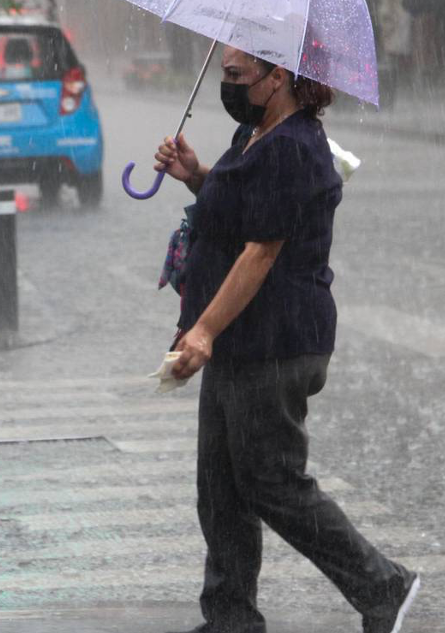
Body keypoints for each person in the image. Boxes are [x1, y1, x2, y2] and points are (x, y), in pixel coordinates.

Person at [151, 46, 421, 633]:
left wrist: (202, 330)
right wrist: (196, 174)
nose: (228, 84)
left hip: (275, 340)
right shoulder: (254, 136)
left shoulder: (293, 148)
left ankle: (384, 585)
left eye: (236, 75)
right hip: (241, 339)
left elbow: (261, 251)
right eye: (224, 73)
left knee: (272, 481)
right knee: (220, 485)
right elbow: (235, 214)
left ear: (278, 80)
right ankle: (230, 615)